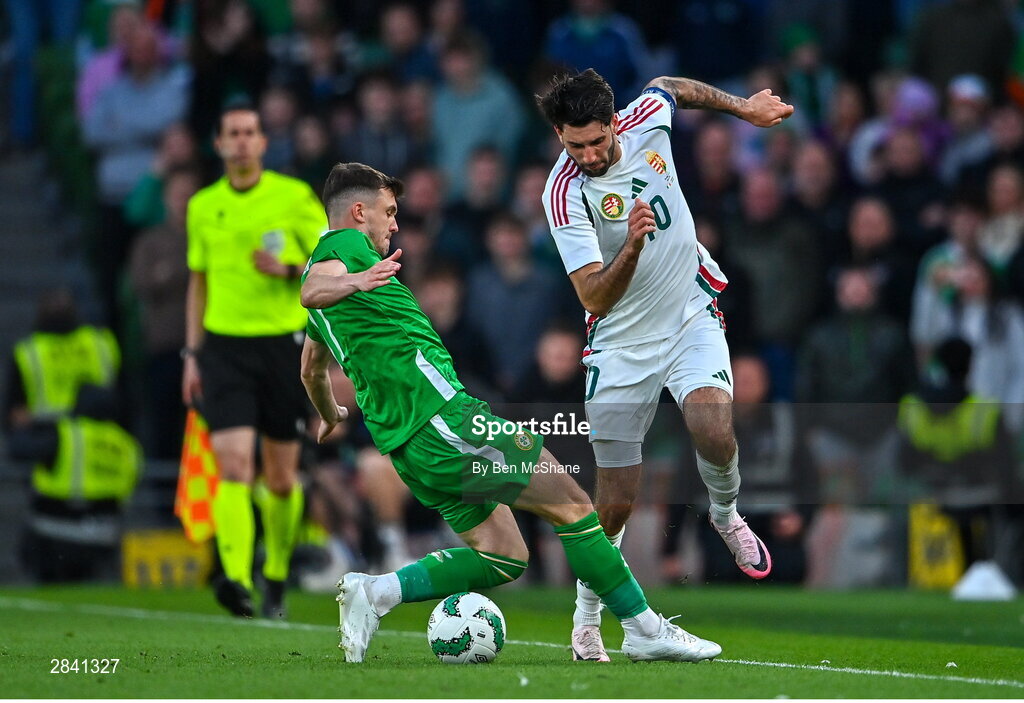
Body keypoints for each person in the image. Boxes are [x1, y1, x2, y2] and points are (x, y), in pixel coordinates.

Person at [300, 162, 721, 664]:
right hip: (445, 420)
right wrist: (360, 277)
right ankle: (643, 628)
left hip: (412, 445)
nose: (394, 224)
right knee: (573, 505)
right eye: (388, 213)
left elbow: (311, 368)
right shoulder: (343, 251)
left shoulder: (332, 301)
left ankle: (378, 593)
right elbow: (313, 288)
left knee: (504, 555)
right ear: (357, 210)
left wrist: (330, 413)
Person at [536, 68, 792, 661]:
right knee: (617, 499)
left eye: (598, 140)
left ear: (613, 121)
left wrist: (743, 108)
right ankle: (588, 617)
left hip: (687, 314)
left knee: (713, 427)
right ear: (559, 135)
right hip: (620, 344)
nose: (590, 154)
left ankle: (725, 514)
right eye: (576, 145)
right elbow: (592, 297)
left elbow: (675, 85)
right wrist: (628, 244)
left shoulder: (646, 117)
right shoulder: (563, 192)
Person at [183, 99, 327, 619]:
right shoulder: (202, 206)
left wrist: (289, 269)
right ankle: (237, 580)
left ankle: (276, 576)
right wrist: (191, 355)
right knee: (234, 465)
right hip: (223, 347)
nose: (242, 141)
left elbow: (330, 259)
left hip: (280, 345)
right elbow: (197, 283)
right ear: (219, 144)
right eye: (232, 133)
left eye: (250, 132)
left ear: (263, 143)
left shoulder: (292, 197)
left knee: (281, 479)